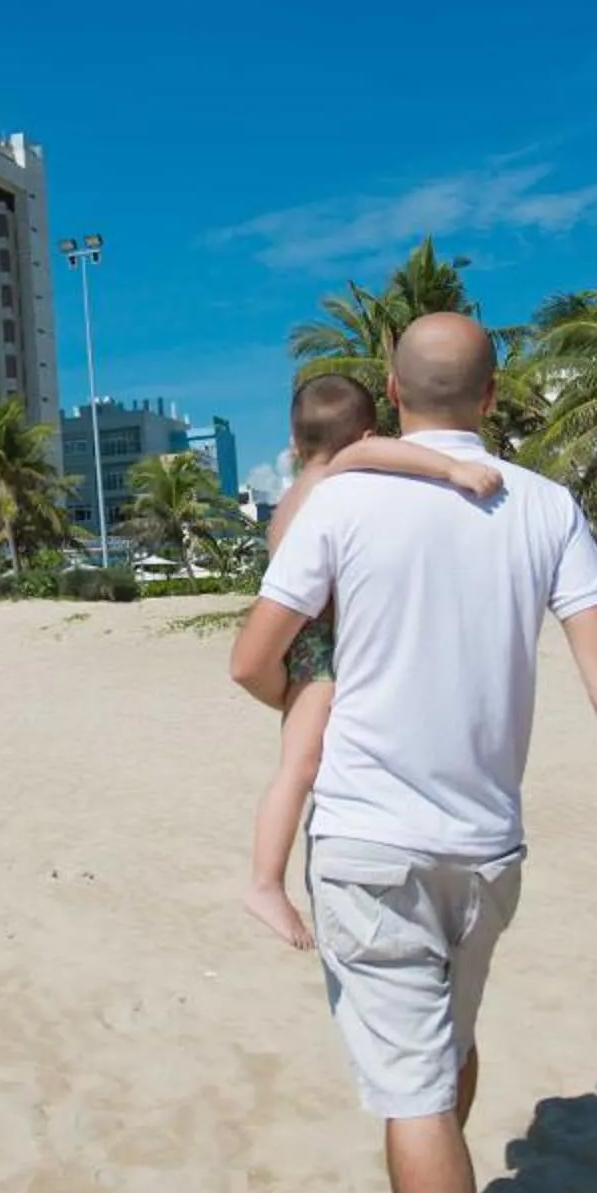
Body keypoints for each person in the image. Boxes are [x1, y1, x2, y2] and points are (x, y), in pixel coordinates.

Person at [230, 314, 597, 1193]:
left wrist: (312, 708)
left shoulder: (343, 496)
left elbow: (254, 656)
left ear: (393, 391)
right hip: (489, 842)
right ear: (495, 397)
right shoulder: (544, 504)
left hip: (366, 835)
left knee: (410, 1087)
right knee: (448, 1044)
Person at [243, 373, 505, 950]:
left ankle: (266, 880)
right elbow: (378, 451)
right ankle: (264, 882)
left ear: (293, 437)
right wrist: (452, 469)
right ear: (363, 435)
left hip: (306, 638)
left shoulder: (297, 487)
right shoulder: (338, 474)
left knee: (300, 763)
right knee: (299, 766)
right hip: (317, 645)